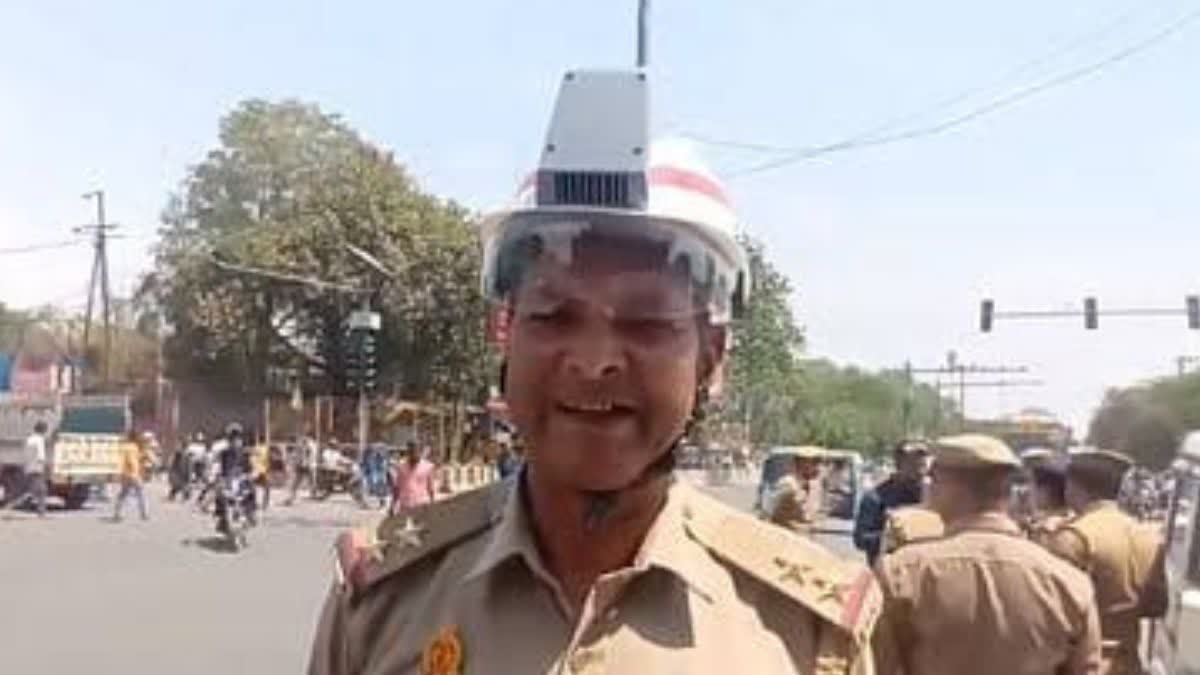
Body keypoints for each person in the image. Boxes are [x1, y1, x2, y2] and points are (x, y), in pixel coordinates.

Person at [307, 70, 880, 674]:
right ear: (505, 334)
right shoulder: (383, 597)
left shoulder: (803, 632)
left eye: (645, 321)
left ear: (711, 357)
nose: (593, 359)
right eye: (554, 314)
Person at [872, 433, 1102, 675]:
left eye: (934, 478)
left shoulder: (901, 574)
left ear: (949, 488)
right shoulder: (1070, 584)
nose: (928, 486)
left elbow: (875, 665)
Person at [1045, 449, 1168, 675]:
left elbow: (1052, 618)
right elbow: (1157, 606)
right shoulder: (1149, 536)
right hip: (1129, 663)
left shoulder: (1073, 538)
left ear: (1073, 486)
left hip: (1081, 665)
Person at [853, 440, 930, 565]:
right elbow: (860, 539)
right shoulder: (875, 498)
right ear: (899, 464)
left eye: (922, 464)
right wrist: (889, 539)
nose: (919, 469)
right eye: (913, 463)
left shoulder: (932, 497)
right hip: (887, 574)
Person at [768, 446, 826, 533]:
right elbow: (770, 513)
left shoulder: (812, 486)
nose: (818, 467)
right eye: (814, 463)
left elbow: (813, 514)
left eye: (818, 462)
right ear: (801, 464)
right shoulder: (788, 484)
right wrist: (795, 526)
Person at [214, 423, 255, 533]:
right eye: (232, 438)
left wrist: (250, 475)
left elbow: (249, 468)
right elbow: (220, 468)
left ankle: (251, 513)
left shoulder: (245, 453)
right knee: (219, 494)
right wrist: (218, 478)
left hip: (241, 479)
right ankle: (221, 518)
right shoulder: (224, 453)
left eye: (237, 438)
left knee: (251, 490)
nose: (235, 441)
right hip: (228, 480)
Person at [1026, 455, 1071, 547]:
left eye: (1032, 485)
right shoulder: (1075, 520)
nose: (1029, 491)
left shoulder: (1045, 531)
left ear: (1046, 491)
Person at [388, 441, 436, 515]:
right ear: (408, 452)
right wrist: (392, 506)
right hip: (405, 506)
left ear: (420, 451)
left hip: (422, 506)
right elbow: (397, 488)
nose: (413, 454)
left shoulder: (428, 467)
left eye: (415, 451)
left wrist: (433, 506)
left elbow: (431, 488)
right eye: (411, 451)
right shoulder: (401, 467)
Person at [113, 432, 149, 522]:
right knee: (141, 494)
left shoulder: (124, 447)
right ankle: (144, 513)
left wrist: (118, 473)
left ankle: (118, 513)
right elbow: (137, 459)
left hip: (125, 474)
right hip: (134, 474)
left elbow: (120, 460)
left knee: (123, 495)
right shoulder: (135, 447)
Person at [21, 420, 49, 516]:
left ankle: (29, 504)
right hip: (37, 467)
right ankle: (41, 511)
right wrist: (45, 466)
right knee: (41, 490)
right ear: (43, 430)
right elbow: (41, 456)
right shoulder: (39, 440)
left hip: (29, 467)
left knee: (34, 489)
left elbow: (25, 454)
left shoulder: (30, 439)